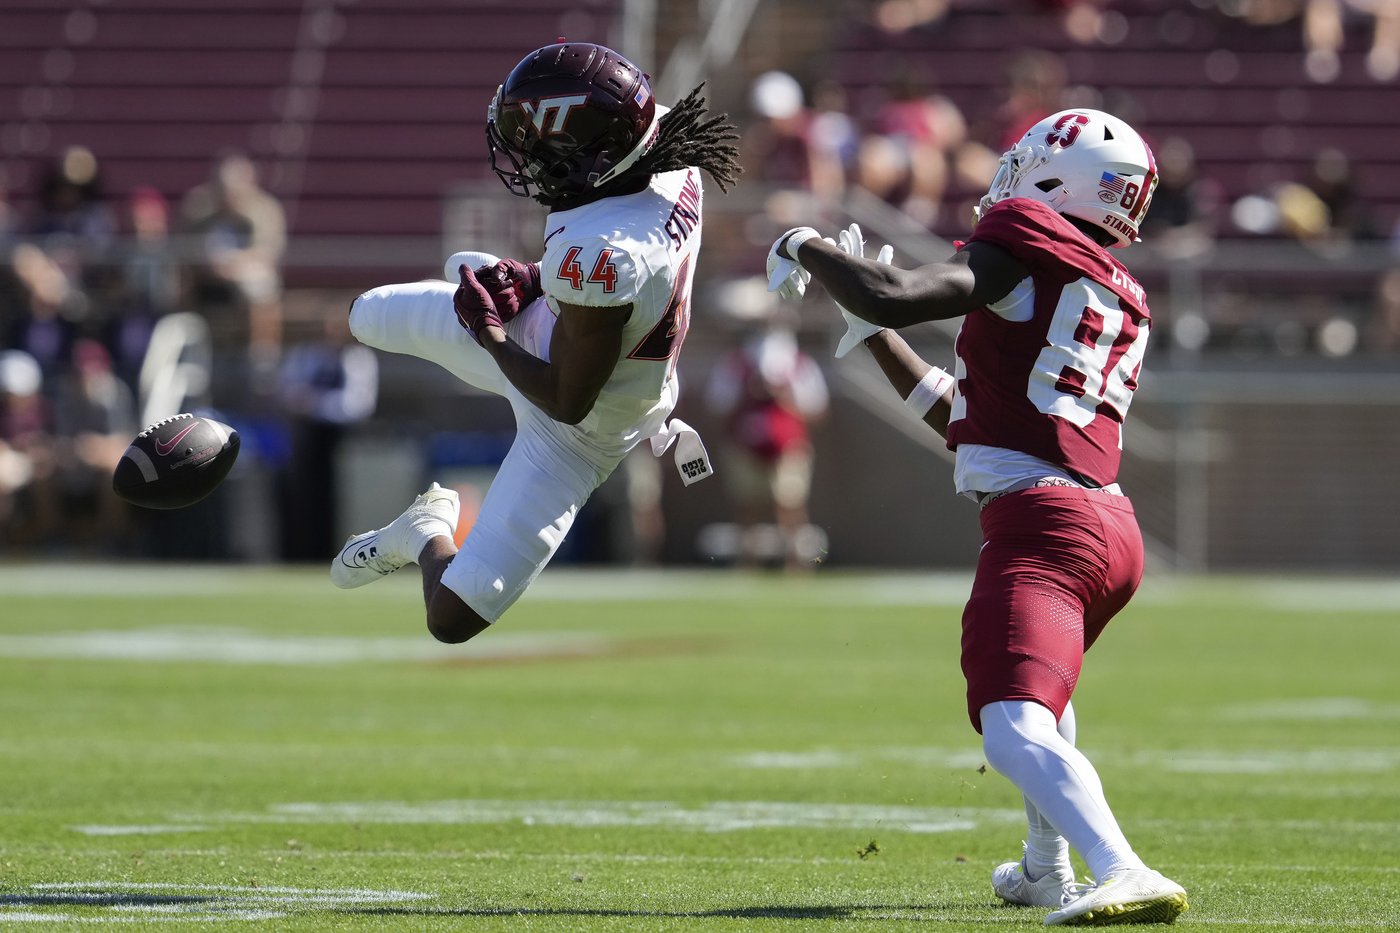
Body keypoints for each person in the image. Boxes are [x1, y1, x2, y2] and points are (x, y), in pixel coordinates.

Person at [766, 109, 1188, 925]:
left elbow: (895, 291)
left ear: (1059, 181)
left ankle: (1121, 865)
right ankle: (1044, 865)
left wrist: (808, 246)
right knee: (1045, 698)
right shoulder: (1103, 281)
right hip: (1103, 525)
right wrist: (874, 333)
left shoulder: (1029, 237)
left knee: (1009, 720)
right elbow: (970, 417)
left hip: (1048, 525)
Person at [331, 42, 741, 644]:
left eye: (539, 149)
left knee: (450, 619)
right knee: (365, 317)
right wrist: (531, 279)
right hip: (556, 326)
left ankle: (423, 530)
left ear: (591, 155)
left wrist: (488, 329)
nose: (527, 162)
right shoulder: (657, 149)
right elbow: (605, 269)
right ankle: (508, 289)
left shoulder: (603, 257)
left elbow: (568, 400)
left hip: (579, 427)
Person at [703, 312, 829, 570]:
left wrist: (782, 398)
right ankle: (748, 563)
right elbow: (718, 407)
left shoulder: (798, 363)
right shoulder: (736, 364)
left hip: (789, 446)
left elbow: (817, 411)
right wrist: (748, 395)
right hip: (744, 446)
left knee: (790, 506)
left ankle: (796, 565)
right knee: (747, 507)